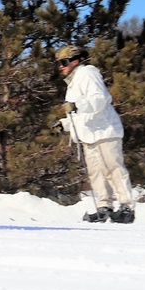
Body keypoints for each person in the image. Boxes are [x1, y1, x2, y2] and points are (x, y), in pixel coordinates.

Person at [55, 44, 135, 224]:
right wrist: (65, 124)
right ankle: (104, 207)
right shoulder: (72, 82)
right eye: (59, 63)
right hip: (89, 135)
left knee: (114, 169)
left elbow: (100, 99)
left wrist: (76, 105)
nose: (61, 66)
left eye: (64, 62)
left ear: (76, 61)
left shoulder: (88, 73)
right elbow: (80, 114)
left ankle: (126, 207)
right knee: (96, 173)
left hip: (105, 131)